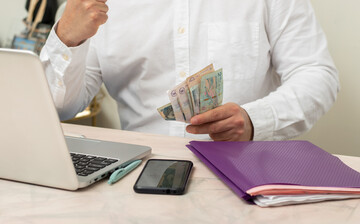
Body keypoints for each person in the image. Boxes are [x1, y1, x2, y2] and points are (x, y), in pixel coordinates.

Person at [40, 0, 339, 141]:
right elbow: (61, 108)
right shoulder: (94, 5)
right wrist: (67, 37)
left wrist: (254, 120)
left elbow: (317, 74)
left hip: (249, 172)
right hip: (136, 180)